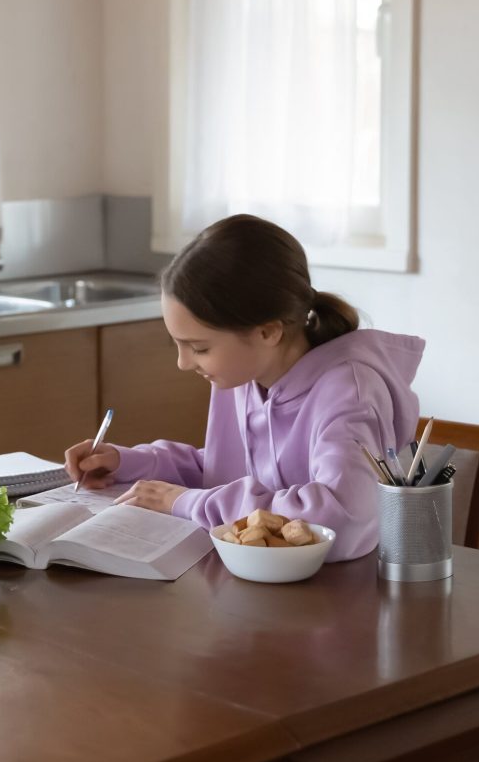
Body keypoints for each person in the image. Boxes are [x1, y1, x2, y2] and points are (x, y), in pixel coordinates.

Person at [64, 215, 422, 560]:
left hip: (336, 601)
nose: (183, 363)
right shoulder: (245, 374)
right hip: (253, 587)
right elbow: (228, 474)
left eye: (199, 348)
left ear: (268, 331)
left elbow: (343, 520)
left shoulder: (349, 393)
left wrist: (187, 502)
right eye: (178, 344)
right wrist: (130, 462)